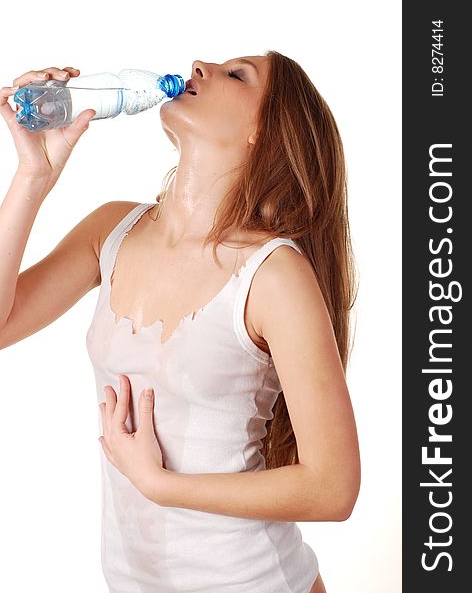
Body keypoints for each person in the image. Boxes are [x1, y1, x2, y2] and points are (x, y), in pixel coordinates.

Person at [0, 52, 360, 593]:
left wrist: (159, 484)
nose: (200, 63)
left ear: (264, 133)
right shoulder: (112, 229)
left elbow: (333, 489)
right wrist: (32, 177)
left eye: (239, 75)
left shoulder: (273, 274)